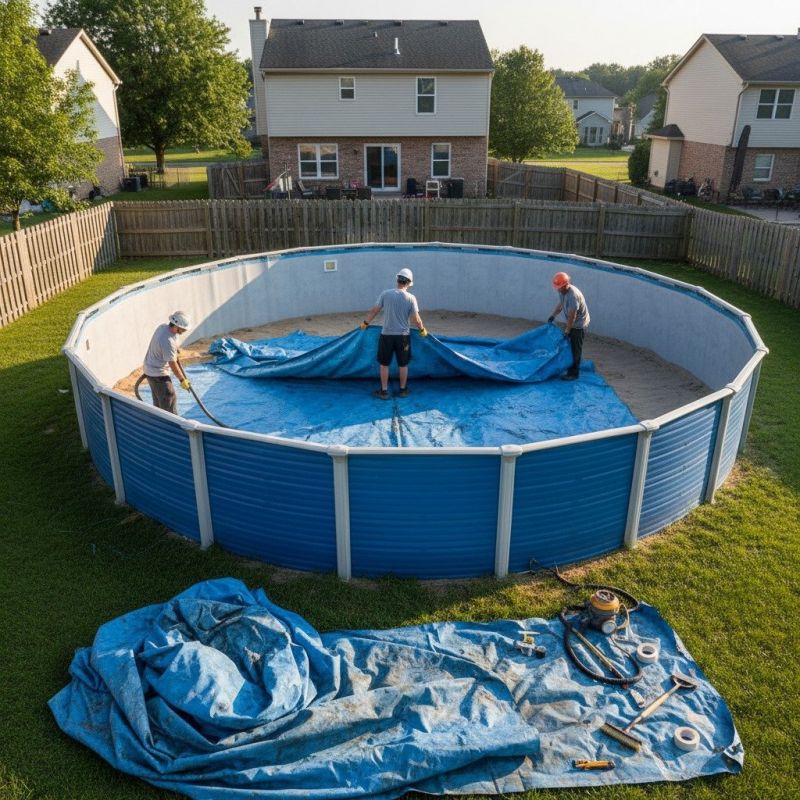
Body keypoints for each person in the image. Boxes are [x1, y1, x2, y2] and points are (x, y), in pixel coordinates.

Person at [360, 268, 427, 399]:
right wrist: (422, 330)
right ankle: (403, 390)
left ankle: (384, 391)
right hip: (403, 337)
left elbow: (374, 310)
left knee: (384, 364)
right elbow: (416, 319)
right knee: (403, 364)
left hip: (386, 335)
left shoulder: (385, 294)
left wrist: (365, 323)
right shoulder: (411, 298)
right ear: (408, 283)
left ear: (397, 280)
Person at [142, 311, 193, 413]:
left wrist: (175, 349)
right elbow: (172, 363)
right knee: (169, 397)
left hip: (150, 369)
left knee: (159, 401)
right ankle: (171, 425)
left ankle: (159, 422)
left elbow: (168, 345)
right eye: (182, 329)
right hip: (158, 374)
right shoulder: (168, 341)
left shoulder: (163, 327)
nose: (183, 331)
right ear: (176, 326)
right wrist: (182, 380)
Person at [547, 272, 590, 381]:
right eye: (557, 288)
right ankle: (569, 366)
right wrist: (553, 315)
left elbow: (573, 316)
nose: (558, 289)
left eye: (560, 287)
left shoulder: (573, 295)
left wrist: (568, 330)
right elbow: (561, 304)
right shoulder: (562, 291)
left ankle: (574, 373)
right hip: (572, 322)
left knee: (576, 348)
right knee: (569, 346)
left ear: (566, 284)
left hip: (579, 324)